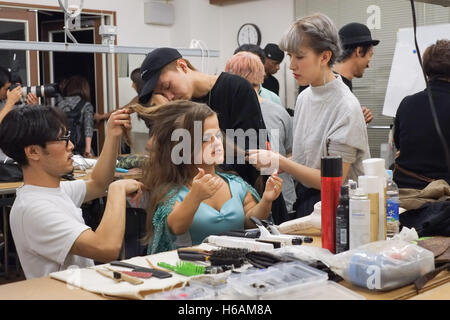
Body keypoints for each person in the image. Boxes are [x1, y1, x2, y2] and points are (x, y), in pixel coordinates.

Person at [248, 13, 370, 218]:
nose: (292, 65)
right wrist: (275, 162)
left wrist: (282, 162)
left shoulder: (345, 107)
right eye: (290, 56)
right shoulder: (305, 97)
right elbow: (309, 156)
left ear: (324, 56)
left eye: (300, 57)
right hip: (308, 203)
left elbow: (334, 179)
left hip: (341, 209)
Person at [0, 104, 143, 279]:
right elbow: (106, 247)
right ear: (34, 151)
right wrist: (117, 190)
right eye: (62, 139)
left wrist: (112, 135)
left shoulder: (52, 191)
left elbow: (98, 183)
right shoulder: (33, 209)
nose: (71, 146)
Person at [136, 100, 282, 254]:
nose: (216, 142)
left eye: (218, 135)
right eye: (206, 138)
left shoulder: (236, 184)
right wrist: (195, 197)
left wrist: (266, 200)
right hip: (190, 269)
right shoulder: (171, 193)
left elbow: (251, 223)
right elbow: (176, 226)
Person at [225, 51, 296, 213]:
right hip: (246, 202)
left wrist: (275, 165)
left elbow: (293, 153)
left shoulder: (278, 112)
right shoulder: (279, 112)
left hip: (279, 200)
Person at [393, 39, 450, 189]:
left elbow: (399, 145)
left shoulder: (406, 103)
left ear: (426, 70)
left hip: (403, 194)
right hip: (441, 198)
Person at [333, 22, 379, 124]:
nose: (368, 65)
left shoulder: (343, 83)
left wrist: (356, 119)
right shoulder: (331, 86)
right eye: (369, 55)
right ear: (359, 51)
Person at [56, 75, 95, 158]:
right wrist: (88, 150)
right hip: (81, 150)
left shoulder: (58, 105)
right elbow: (88, 128)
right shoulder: (86, 105)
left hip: (64, 150)